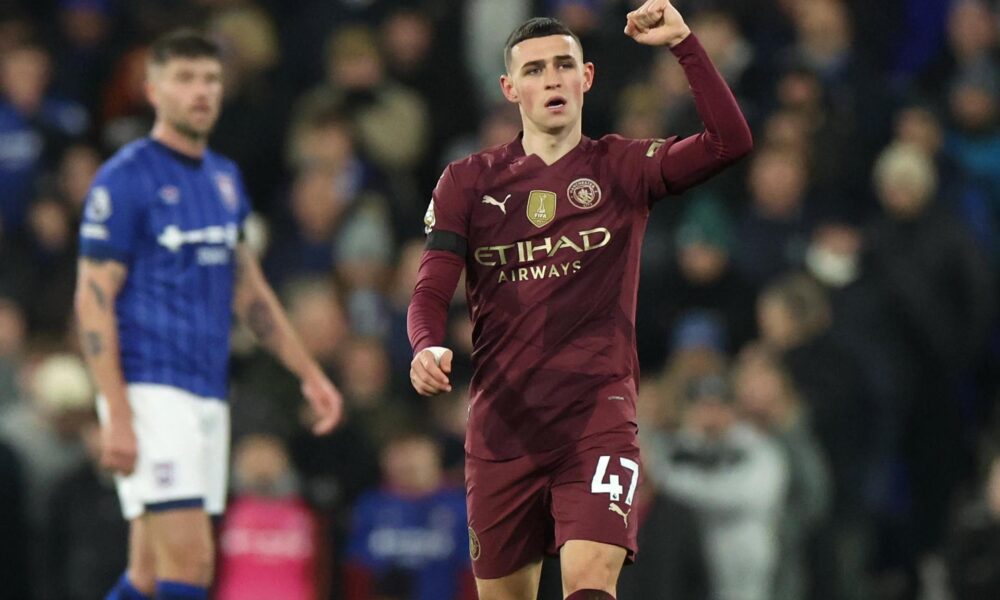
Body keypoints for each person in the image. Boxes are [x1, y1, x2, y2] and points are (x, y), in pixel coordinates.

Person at [407, 2, 752, 598]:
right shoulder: (467, 181)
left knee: (591, 587)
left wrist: (684, 45)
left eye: (563, 65)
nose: (551, 79)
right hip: (502, 430)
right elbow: (432, 284)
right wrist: (425, 345)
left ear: (585, 78)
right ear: (509, 88)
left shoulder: (622, 166)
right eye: (535, 69)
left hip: (597, 422)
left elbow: (730, 142)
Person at [74, 29, 343, 600]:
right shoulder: (125, 179)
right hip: (151, 391)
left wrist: (308, 372)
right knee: (191, 563)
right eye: (185, 78)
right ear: (152, 89)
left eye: (211, 79)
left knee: (147, 575)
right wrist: (117, 411)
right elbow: (92, 298)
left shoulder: (223, 178)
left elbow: (249, 292)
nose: (201, 91)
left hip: (205, 391)